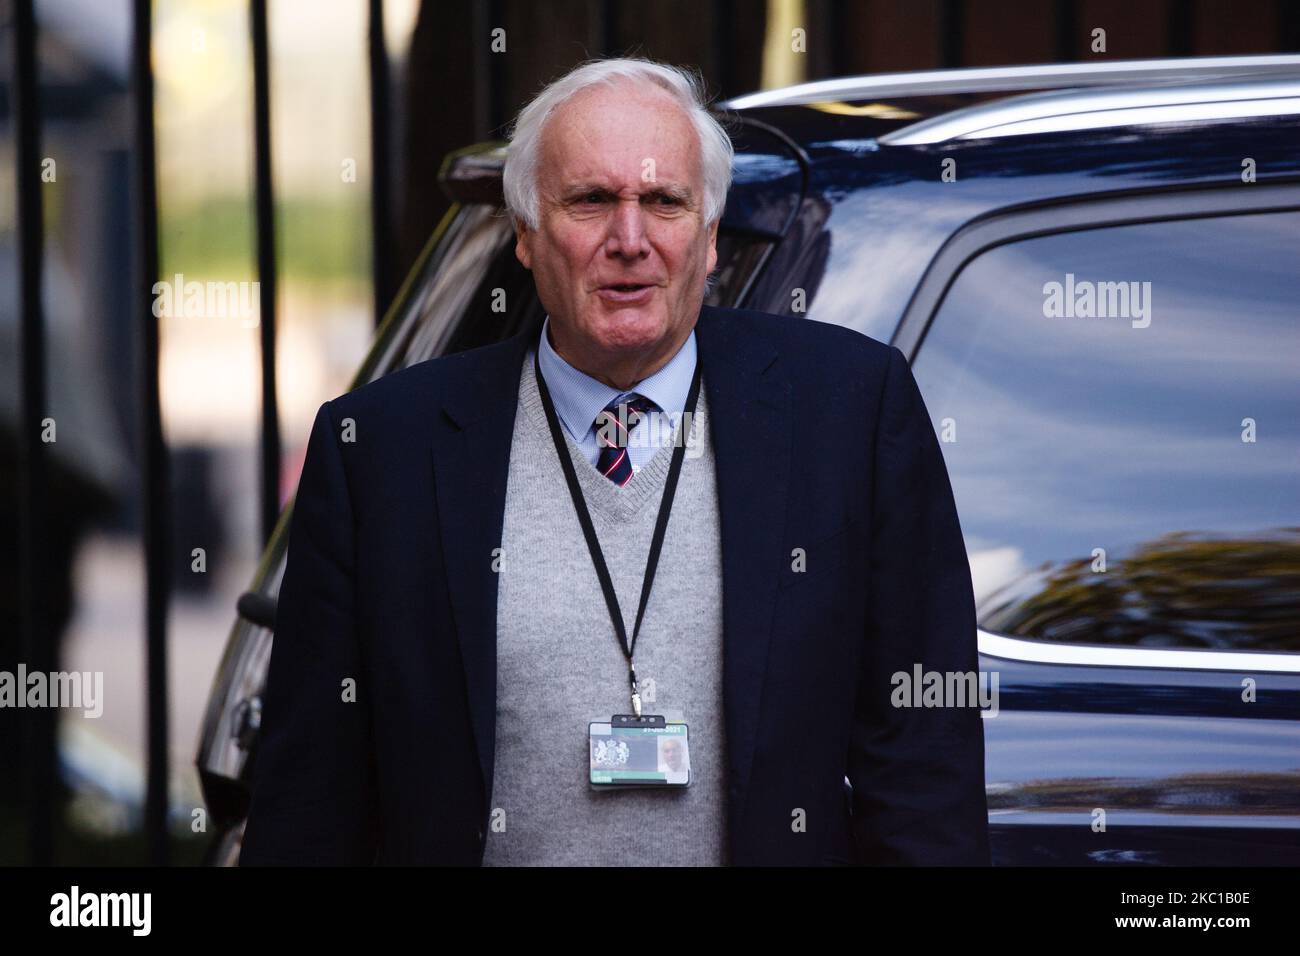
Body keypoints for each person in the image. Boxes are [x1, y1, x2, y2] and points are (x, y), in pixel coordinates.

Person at [239, 56, 989, 866]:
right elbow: (310, 804)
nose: (629, 241)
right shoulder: (382, 449)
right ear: (525, 234)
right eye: (591, 200)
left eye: (664, 201)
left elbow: (923, 775)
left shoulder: (849, 412)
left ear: (708, 237)